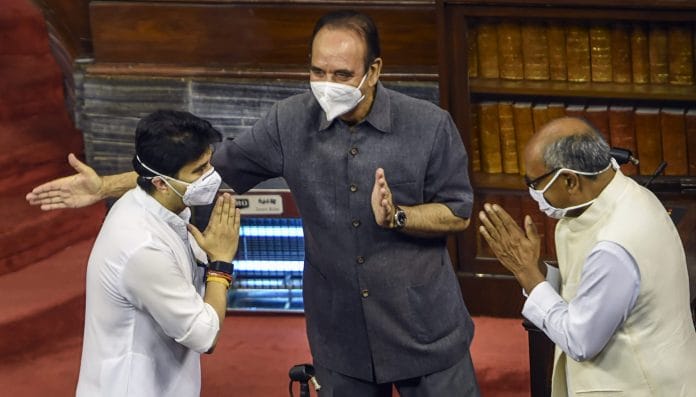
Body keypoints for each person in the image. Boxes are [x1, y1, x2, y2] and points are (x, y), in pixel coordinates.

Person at [27, 10, 480, 396]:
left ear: (375, 71)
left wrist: (399, 216)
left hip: (424, 329)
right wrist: (105, 186)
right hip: (342, 336)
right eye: (317, 71)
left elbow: (458, 211)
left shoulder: (430, 126)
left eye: (341, 75)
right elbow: (209, 169)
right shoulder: (288, 122)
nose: (326, 85)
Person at [478, 117, 696, 396]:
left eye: (534, 183)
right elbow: (590, 290)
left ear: (570, 180)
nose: (533, 193)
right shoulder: (632, 195)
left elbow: (580, 340)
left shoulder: (615, 243)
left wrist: (527, 276)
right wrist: (538, 272)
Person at [74, 110, 241, 396]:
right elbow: (205, 336)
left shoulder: (154, 206)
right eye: (199, 171)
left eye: (209, 163)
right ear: (161, 183)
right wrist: (221, 265)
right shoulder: (142, 246)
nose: (211, 176)